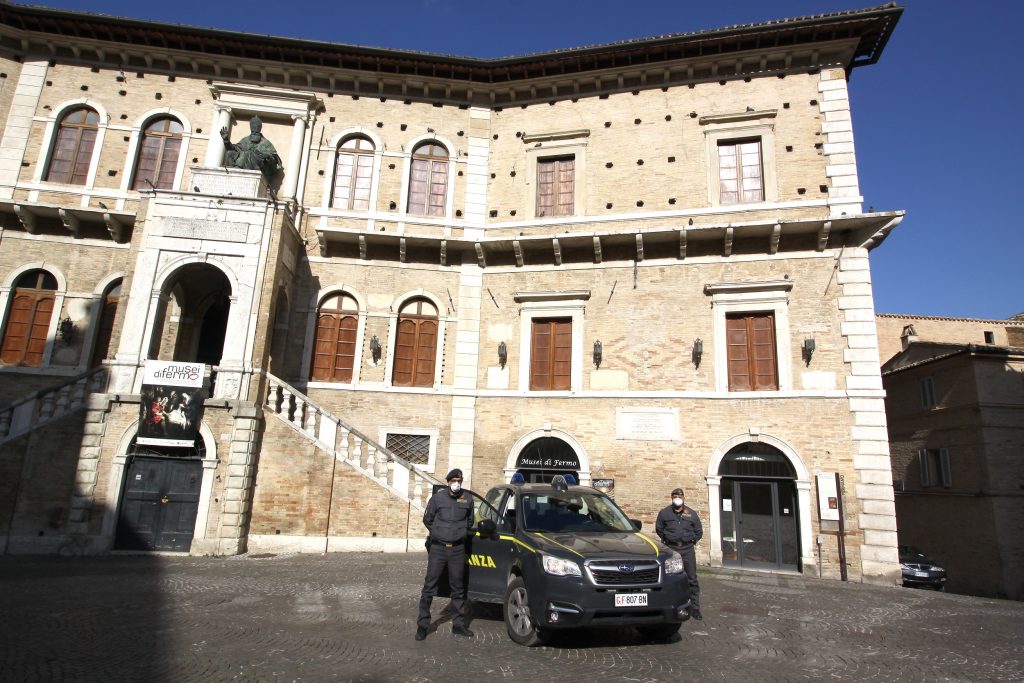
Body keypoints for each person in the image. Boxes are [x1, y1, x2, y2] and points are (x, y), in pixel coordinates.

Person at [416, 468, 475, 640]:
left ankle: (458, 625)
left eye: (459, 481)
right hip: (439, 549)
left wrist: (459, 532)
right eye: (454, 481)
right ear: (448, 482)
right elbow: (427, 519)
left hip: (457, 549)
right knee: (429, 587)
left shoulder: (467, 498)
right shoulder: (437, 498)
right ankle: (422, 625)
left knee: (458, 588)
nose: (457, 483)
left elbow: (470, 521)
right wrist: (439, 533)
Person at [655, 487, 704, 620]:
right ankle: (669, 604)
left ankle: (695, 608)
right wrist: (667, 539)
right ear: (671, 498)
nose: (678, 499)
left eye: (680, 497)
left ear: (683, 498)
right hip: (671, 549)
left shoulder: (691, 514)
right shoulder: (664, 513)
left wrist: (692, 541)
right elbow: (659, 529)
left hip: (687, 550)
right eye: (675, 497)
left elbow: (699, 531)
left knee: (692, 579)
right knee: (670, 578)